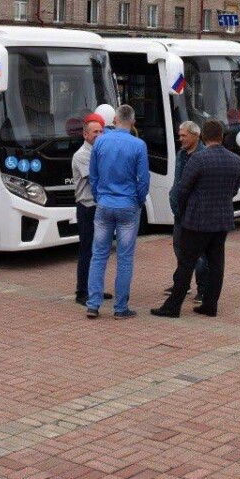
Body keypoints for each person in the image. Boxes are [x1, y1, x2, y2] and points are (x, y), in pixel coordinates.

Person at [151, 120, 240, 319]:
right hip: (222, 220)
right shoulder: (235, 160)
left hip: (197, 221)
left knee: (186, 263)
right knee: (217, 264)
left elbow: (183, 189)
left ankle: (172, 307)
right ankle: (210, 305)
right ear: (222, 136)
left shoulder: (198, 159)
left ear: (203, 137)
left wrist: (183, 212)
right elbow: (234, 190)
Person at [86, 105, 149, 319]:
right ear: (133, 122)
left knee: (99, 255)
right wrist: (138, 200)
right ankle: (120, 308)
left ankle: (93, 304)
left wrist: (98, 196)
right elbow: (143, 180)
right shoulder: (139, 145)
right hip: (128, 204)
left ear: (114, 119)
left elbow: (92, 175)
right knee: (124, 258)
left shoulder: (101, 141)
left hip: (104, 203)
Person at [71, 118, 111, 305]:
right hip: (87, 207)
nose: (99, 135)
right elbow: (97, 178)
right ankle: (82, 292)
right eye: (95, 132)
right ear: (85, 134)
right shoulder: (82, 155)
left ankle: (96, 289)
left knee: (101, 251)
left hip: (100, 206)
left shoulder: (99, 152)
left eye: (101, 131)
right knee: (87, 250)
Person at [168, 121, 206, 302]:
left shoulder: (204, 155)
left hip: (196, 213)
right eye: (179, 135)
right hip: (179, 212)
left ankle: (203, 289)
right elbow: (178, 182)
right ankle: (181, 283)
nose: (180, 139)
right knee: (179, 249)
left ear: (195, 135)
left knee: (198, 253)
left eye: (184, 135)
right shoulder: (181, 154)